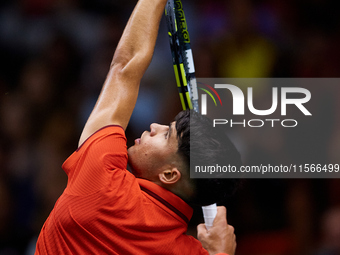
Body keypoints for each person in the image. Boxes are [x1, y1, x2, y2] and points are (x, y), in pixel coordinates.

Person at [35, 0, 241, 254]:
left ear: (169, 175)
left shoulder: (103, 179)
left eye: (166, 135)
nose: (154, 126)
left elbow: (125, 66)